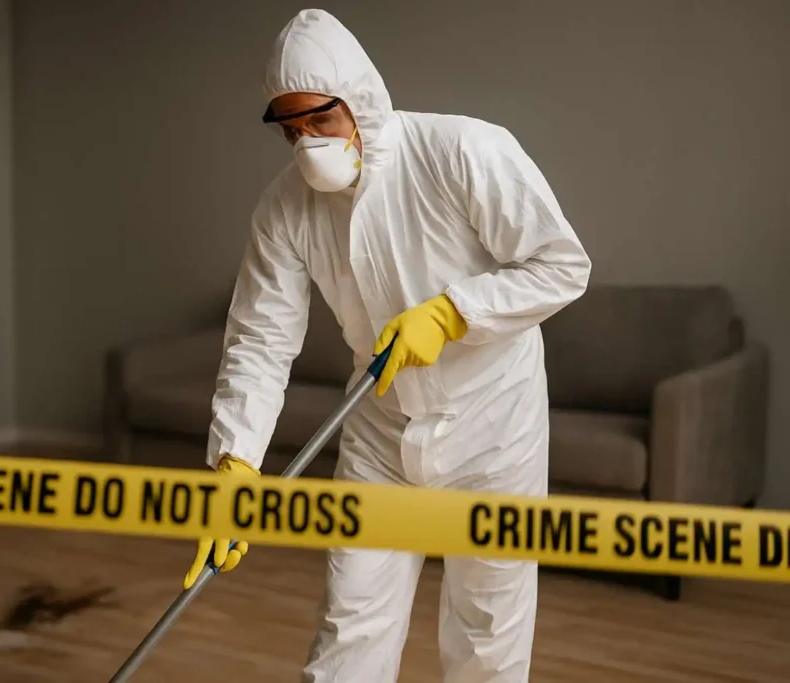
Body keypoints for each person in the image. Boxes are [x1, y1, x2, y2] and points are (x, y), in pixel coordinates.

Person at [182, 8, 591, 683]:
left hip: (494, 428)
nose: (308, 142)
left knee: (486, 637)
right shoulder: (284, 209)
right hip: (379, 428)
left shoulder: (462, 151)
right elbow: (259, 338)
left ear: (359, 99)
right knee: (349, 631)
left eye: (321, 120)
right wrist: (234, 464)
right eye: (292, 129)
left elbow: (561, 264)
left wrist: (454, 311)